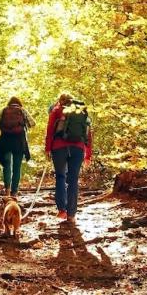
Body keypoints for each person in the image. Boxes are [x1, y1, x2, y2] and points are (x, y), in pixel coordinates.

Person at [45, 92, 92, 223]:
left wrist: (48, 148)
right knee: (73, 180)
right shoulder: (81, 111)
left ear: (60, 100)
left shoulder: (56, 110)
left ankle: (62, 211)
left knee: (60, 176)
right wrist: (88, 154)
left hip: (59, 147)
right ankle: (71, 214)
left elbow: (49, 130)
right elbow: (88, 133)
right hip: (78, 148)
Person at [0, 97, 34, 197]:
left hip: (5, 141)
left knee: (7, 165)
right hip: (19, 141)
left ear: (9, 103)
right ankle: (14, 192)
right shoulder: (22, 110)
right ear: (19, 103)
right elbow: (32, 123)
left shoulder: (4, 110)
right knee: (17, 167)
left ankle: (7, 190)